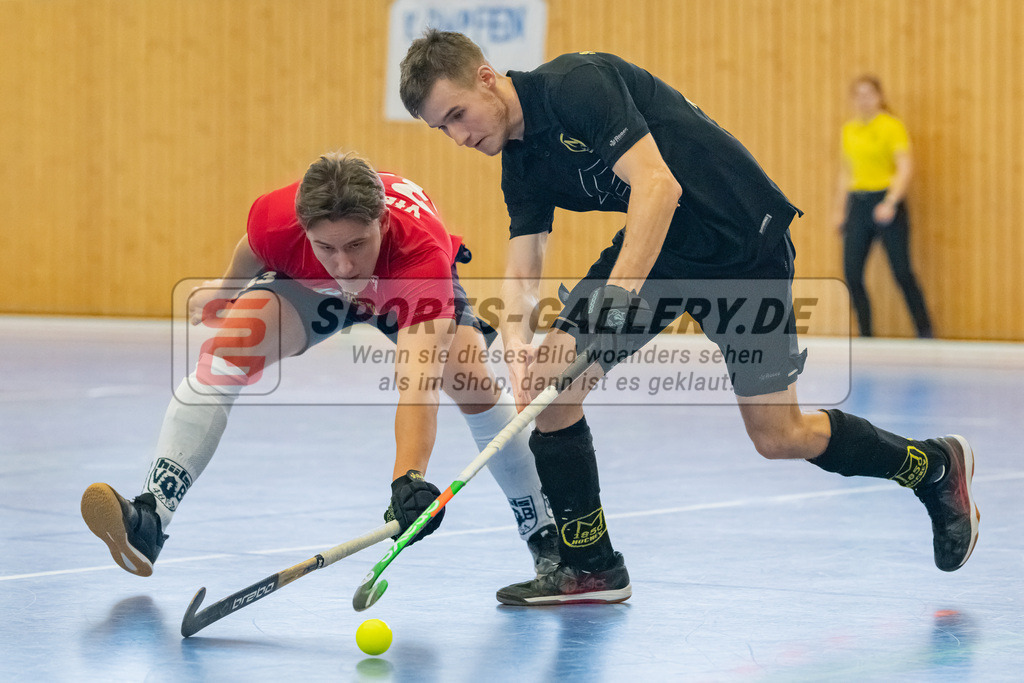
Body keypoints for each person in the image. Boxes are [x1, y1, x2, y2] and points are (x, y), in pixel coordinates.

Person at [398, 30, 980, 606]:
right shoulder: (520, 162)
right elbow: (525, 261)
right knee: (553, 383)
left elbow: (657, 185)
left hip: (742, 244)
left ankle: (929, 466)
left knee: (780, 436)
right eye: (441, 127)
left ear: (486, 78)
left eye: (456, 114)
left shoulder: (576, 85)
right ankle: (592, 566)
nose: (457, 136)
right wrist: (519, 343)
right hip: (664, 254)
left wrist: (612, 305)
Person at [81, 151, 561, 583]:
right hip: (310, 288)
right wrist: (226, 291)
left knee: (471, 382)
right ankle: (150, 518)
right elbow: (253, 248)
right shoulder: (277, 222)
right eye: (326, 247)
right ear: (304, 231)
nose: (344, 264)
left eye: (356, 244)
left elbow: (417, 384)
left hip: (396, 284)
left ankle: (542, 532)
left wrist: (407, 479)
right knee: (228, 349)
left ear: (383, 224)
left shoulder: (420, 255)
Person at [831, 74, 933, 338]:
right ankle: (866, 336)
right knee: (852, 274)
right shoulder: (849, 130)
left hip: (886, 203)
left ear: (880, 97)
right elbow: (846, 173)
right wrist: (840, 209)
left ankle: (925, 332)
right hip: (859, 203)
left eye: (869, 95)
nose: (864, 101)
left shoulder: (891, 126)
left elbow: (905, 167)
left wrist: (890, 202)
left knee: (902, 272)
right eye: (859, 95)